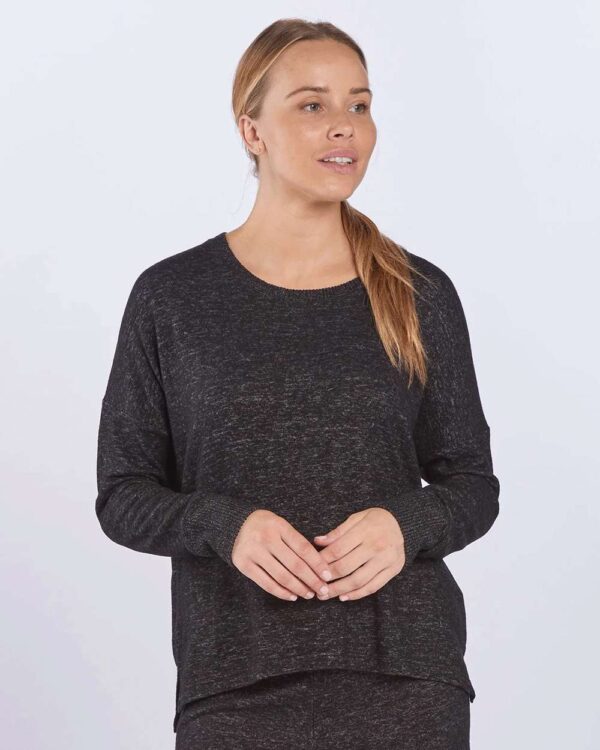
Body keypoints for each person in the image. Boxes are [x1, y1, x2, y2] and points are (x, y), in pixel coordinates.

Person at [95, 18, 500, 750]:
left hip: (407, 679)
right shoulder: (172, 298)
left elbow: (473, 484)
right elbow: (122, 494)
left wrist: (406, 524)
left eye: (359, 105)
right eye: (313, 104)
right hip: (235, 686)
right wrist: (225, 526)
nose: (344, 126)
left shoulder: (419, 292)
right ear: (252, 130)